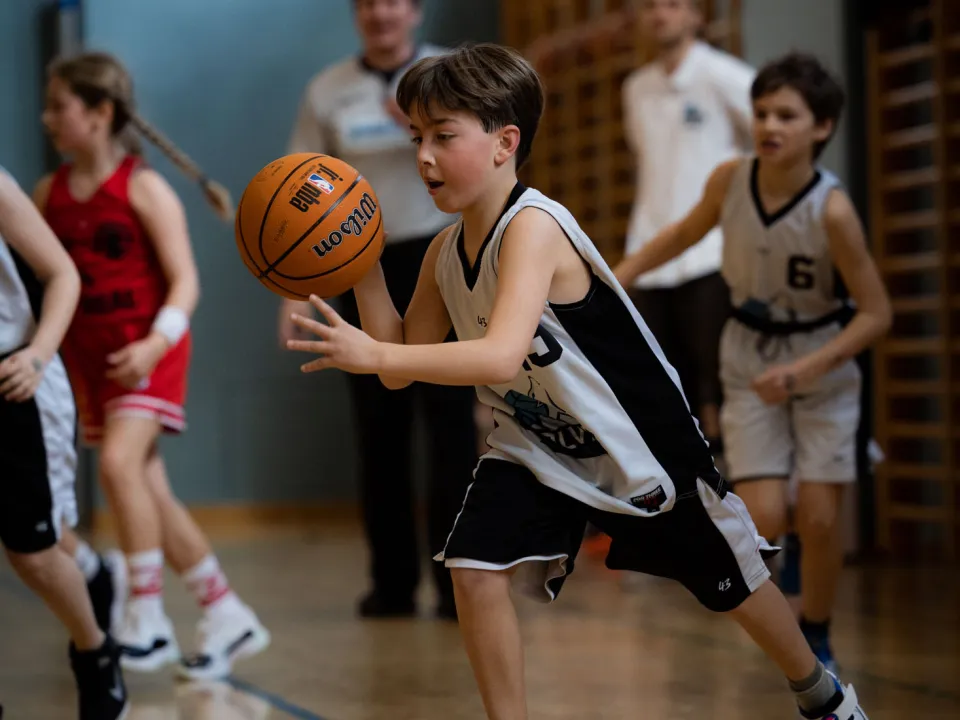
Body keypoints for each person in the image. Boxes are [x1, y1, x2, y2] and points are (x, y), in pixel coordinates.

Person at [286, 43, 870, 719]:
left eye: (444, 136)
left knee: (732, 583)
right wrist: (361, 264)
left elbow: (496, 356)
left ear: (505, 143)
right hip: (538, 444)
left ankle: (822, 695)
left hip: (637, 442)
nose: (424, 156)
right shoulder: (445, 251)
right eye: (416, 137)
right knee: (473, 569)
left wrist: (379, 358)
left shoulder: (534, 226)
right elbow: (401, 363)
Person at [614, 52, 892, 673]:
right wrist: (617, 277)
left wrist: (805, 371)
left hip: (820, 359)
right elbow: (680, 236)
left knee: (820, 517)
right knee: (763, 513)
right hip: (748, 351)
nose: (769, 125)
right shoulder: (729, 180)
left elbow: (876, 314)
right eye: (762, 112)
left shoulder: (833, 211)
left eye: (786, 116)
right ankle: (785, 587)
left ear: (822, 128)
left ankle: (817, 629)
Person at [36, 50, 269, 679]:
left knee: (118, 465)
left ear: (99, 113)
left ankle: (146, 614)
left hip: (149, 352)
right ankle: (225, 611)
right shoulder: (48, 193)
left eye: (59, 106)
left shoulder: (143, 187)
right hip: (92, 361)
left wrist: (153, 346)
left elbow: (186, 283)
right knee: (149, 491)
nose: (47, 118)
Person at [279, 0, 477, 620]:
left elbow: (492, 155)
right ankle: (391, 585)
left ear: (414, 11)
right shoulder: (328, 89)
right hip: (362, 261)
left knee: (452, 430)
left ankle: (455, 581)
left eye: (392, 0)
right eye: (367, 2)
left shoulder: (450, 72)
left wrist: (424, 119)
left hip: (443, 254)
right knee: (379, 432)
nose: (379, 12)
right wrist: (294, 293)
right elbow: (299, 187)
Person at [0, 165, 128, 719]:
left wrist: (37, 354)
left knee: (33, 552)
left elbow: (62, 275)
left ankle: (96, 653)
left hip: (16, 379)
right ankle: (94, 575)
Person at [620, 0, 754, 454]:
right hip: (653, 259)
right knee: (665, 393)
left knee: (722, 386)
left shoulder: (724, 75)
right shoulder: (636, 88)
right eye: (650, 5)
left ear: (697, 14)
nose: (660, 13)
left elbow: (769, 143)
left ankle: (738, 487)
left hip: (710, 256)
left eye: (673, 3)